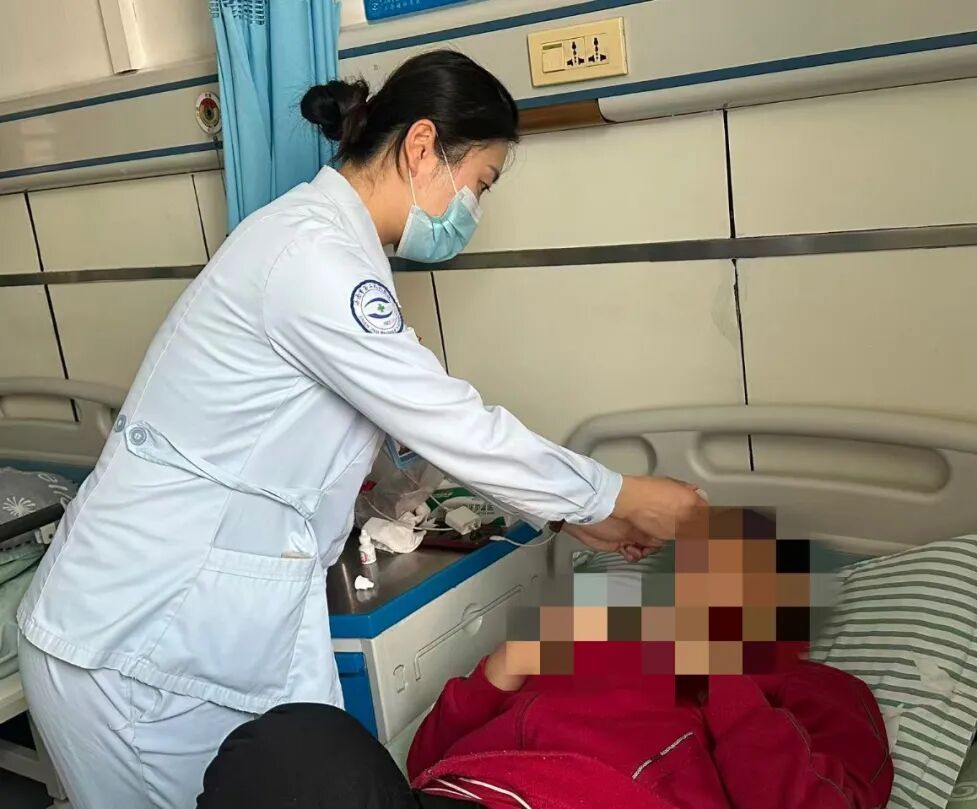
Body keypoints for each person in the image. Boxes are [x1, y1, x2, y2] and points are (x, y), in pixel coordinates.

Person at [15, 50, 704, 808]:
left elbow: (383, 432)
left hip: (201, 626)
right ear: (421, 147)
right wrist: (619, 493)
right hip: (134, 643)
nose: (473, 211)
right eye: (479, 184)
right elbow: (448, 419)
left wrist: (577, 514)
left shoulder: (335, 254)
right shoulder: (311, 256)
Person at [191, 640, 894, 809]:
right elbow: (425, 761)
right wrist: (501, 671)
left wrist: (726, 680)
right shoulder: (606, 640)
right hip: (457, 794)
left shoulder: (810, 691)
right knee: (293, 744)